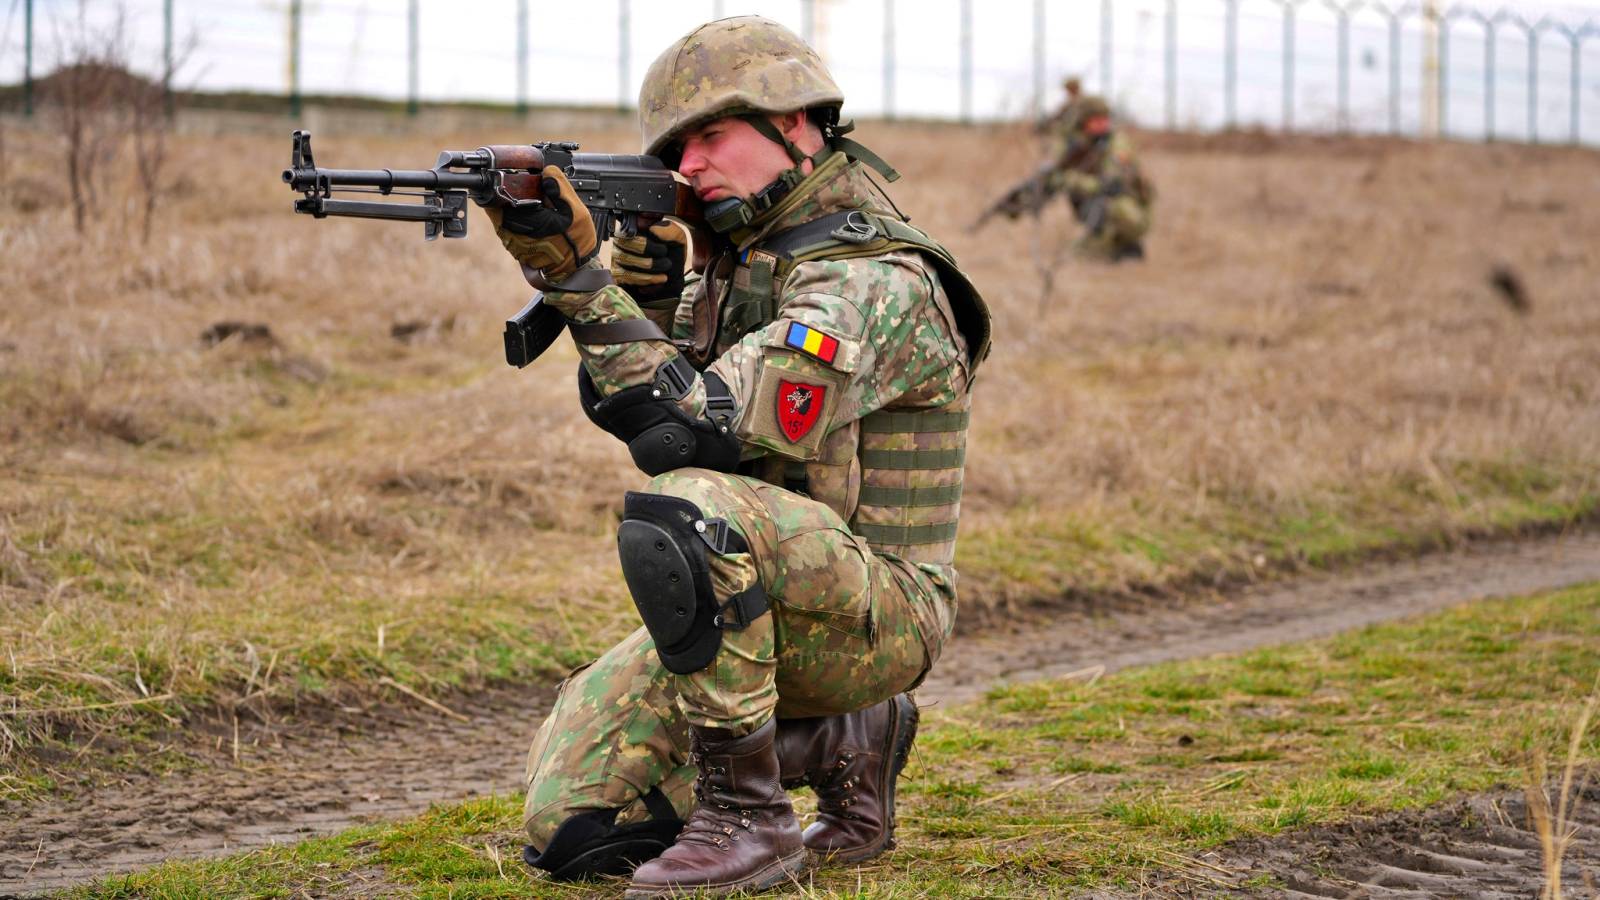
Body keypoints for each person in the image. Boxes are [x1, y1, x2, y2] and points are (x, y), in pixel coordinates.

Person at [485, 15, 992, 899]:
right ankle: (848, 742)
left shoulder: (869, 279)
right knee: (573, 831)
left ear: (793, 123)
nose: (688, 166)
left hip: (882, 611)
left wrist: (576, 281)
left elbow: (692, 435)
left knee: (687, 507)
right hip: (773, 594)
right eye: (676, 146)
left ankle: (750, 819)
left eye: (710, 134)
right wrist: (644, 294)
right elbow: (634, 408)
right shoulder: (744, 262)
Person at [1049, 94, 1154, 261]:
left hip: (1132, 207)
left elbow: (1112, 181)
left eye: (1105, 119)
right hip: (1104, 202)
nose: (1103, 124)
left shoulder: (1117, 142)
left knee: (1109, 204)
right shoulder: (1080, 143)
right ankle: (1114, 244)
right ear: (1084, 122)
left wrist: (1074, 180)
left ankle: (1118, 243)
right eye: (1096, 120)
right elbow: (1056, 174)